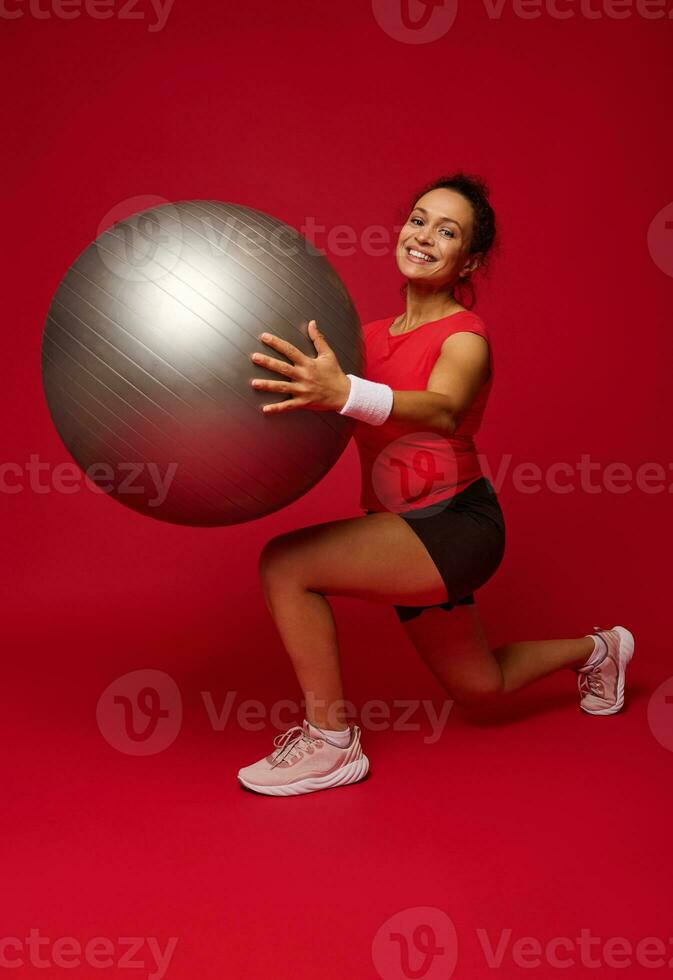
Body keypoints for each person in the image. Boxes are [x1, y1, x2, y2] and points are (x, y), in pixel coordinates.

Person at [237, 172, 635, 797]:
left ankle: (331, 743)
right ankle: (600, 650)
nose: (423, 236)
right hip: (399, 529)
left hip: (454, 524)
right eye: (418, 219)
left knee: (285, 565)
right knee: (481, 687)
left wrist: (344, 391)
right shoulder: (364, 341)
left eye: (447, 231)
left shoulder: (465, 339)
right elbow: (322, 411)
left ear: (469, 259)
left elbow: (443, 408)